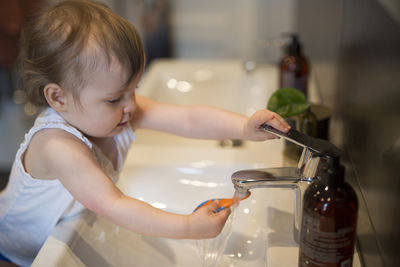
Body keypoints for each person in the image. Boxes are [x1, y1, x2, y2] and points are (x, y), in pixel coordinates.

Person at [0, 1, 290, 266]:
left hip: (55, 237)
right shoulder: (57, 146)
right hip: (15, 252)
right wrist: (187, 227)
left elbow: (188, 118)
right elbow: (114, 205)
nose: (130, 106)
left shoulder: (117, 113)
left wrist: (244, 127)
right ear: (58, 98)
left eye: (133, 90)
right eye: (114, 98)